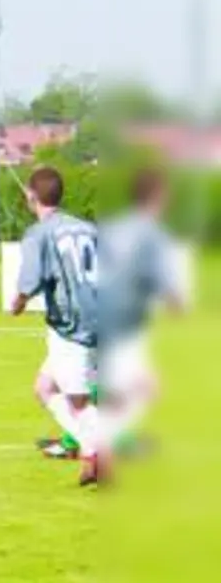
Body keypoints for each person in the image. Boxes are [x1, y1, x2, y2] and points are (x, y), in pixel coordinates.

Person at [43, 168, 184, 462]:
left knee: (96, 383)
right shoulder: (150, 231)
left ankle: (82, 440)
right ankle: (103, 443)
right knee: (140, 387)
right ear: (158, 197)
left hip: (95, 316)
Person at [10, 166, 102, 486]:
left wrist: (19, 301)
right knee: (44, 388)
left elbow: (32, 278)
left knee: (78, 401)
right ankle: (92, 451)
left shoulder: (40, 233)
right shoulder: (87, 228)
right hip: (100, 318)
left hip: (71, 326)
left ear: (31, 197)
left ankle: (101, 451)